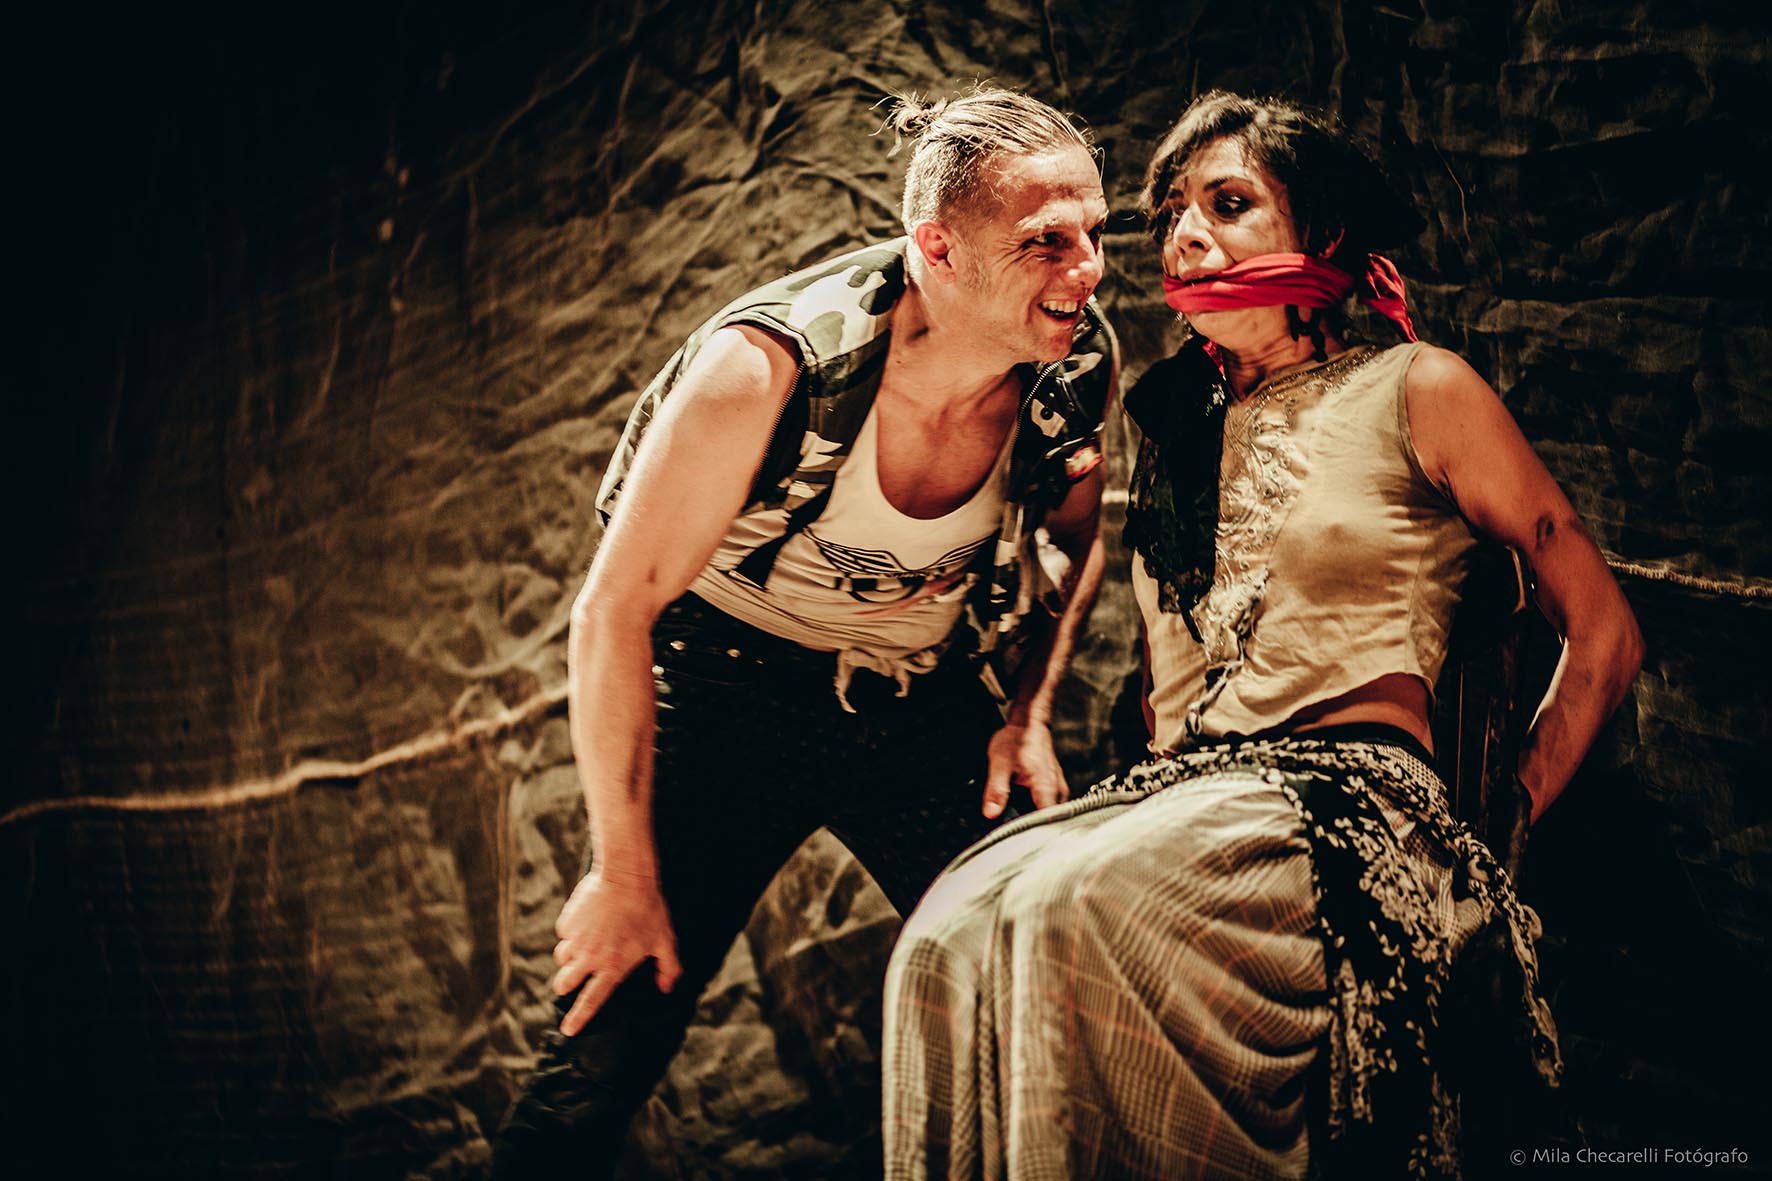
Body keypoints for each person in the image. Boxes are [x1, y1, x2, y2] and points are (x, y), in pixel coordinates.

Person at [882, 91, 1644, 1181]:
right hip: (1181, 797)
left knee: (1064, 906)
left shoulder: (1417, 387)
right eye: (1172, 215)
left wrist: (1495, 830)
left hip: (1349, 800)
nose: (1185, 236)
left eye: (1228, 204)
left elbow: (1604, 631)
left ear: (1319, 231)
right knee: (944, 935)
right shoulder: (1172, 435)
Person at [491, 84, 1120, 1176]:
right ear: (937, 248)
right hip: (731, 695)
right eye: (1046, 243)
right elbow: (613, 609)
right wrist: (623, 872)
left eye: (1096, 235)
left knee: (1054, 990)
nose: (1088, 271)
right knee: (607, 1045)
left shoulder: (1068, 360)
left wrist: (1024, 715)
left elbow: (1079, 540)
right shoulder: (768, 368)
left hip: (921, 699)